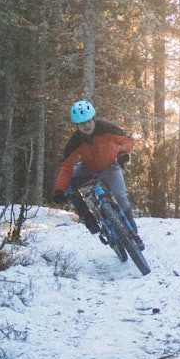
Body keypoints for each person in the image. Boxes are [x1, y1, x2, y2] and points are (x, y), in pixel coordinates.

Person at [51, 99, 143, 250]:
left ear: (93, 119)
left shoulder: (106, 129)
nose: (86, 126)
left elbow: (126, 140)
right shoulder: (75, 142)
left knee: (120, 196)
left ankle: (134, 234)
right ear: (77, 125)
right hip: (88, 169)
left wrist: (123, 153)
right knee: (67, 183)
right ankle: (88, 218)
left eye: (88, 121)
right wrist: (59, 190)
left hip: (111, 167)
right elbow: (66, 168)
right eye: (81, 124)